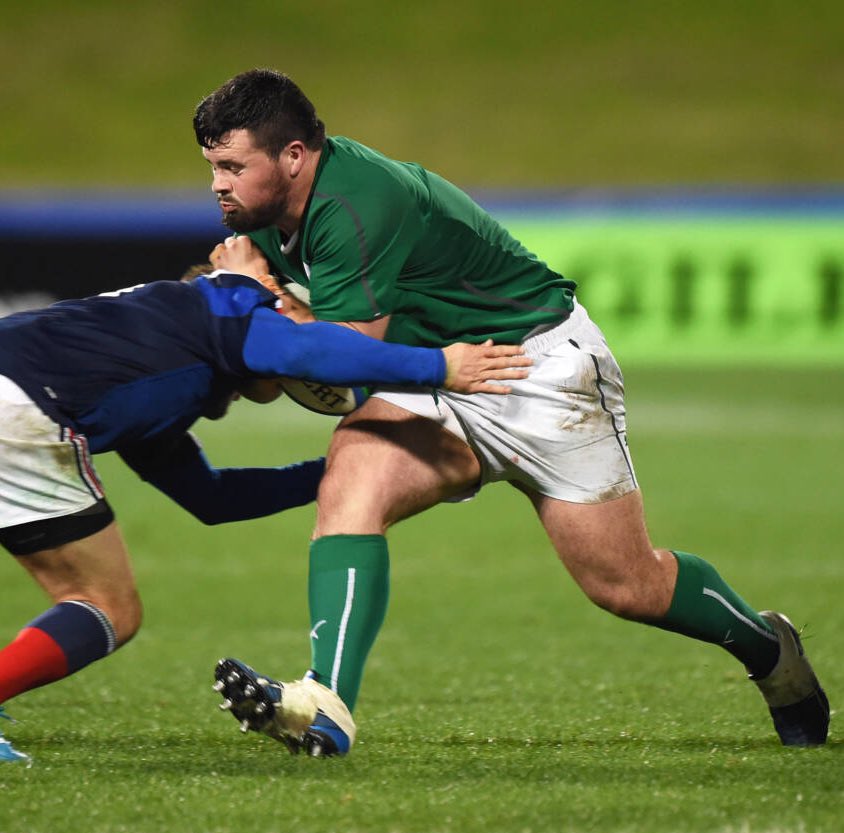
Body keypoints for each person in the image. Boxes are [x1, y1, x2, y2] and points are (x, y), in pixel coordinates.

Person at [194, 69, 829, 758]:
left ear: (292, 157)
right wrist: (261, 316)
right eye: (213, 168)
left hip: (536, 369)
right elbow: (314, 366)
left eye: (233, 166)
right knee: (353, 479)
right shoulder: (283, 215)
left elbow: (342, 372)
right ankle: (327, 702)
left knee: (626, 585)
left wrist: (254, 299)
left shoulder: (354, 204)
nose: (218, 184)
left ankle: (770, 650)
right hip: (438, 369)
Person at [0, 256, 530, 763]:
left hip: (17, 386)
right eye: (306, 319)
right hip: (18, 405)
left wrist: (354, 470)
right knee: (104, 605)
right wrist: (439, 365)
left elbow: (212, 498)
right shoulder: (227, 303)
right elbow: (299, 351)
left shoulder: (152, 362)